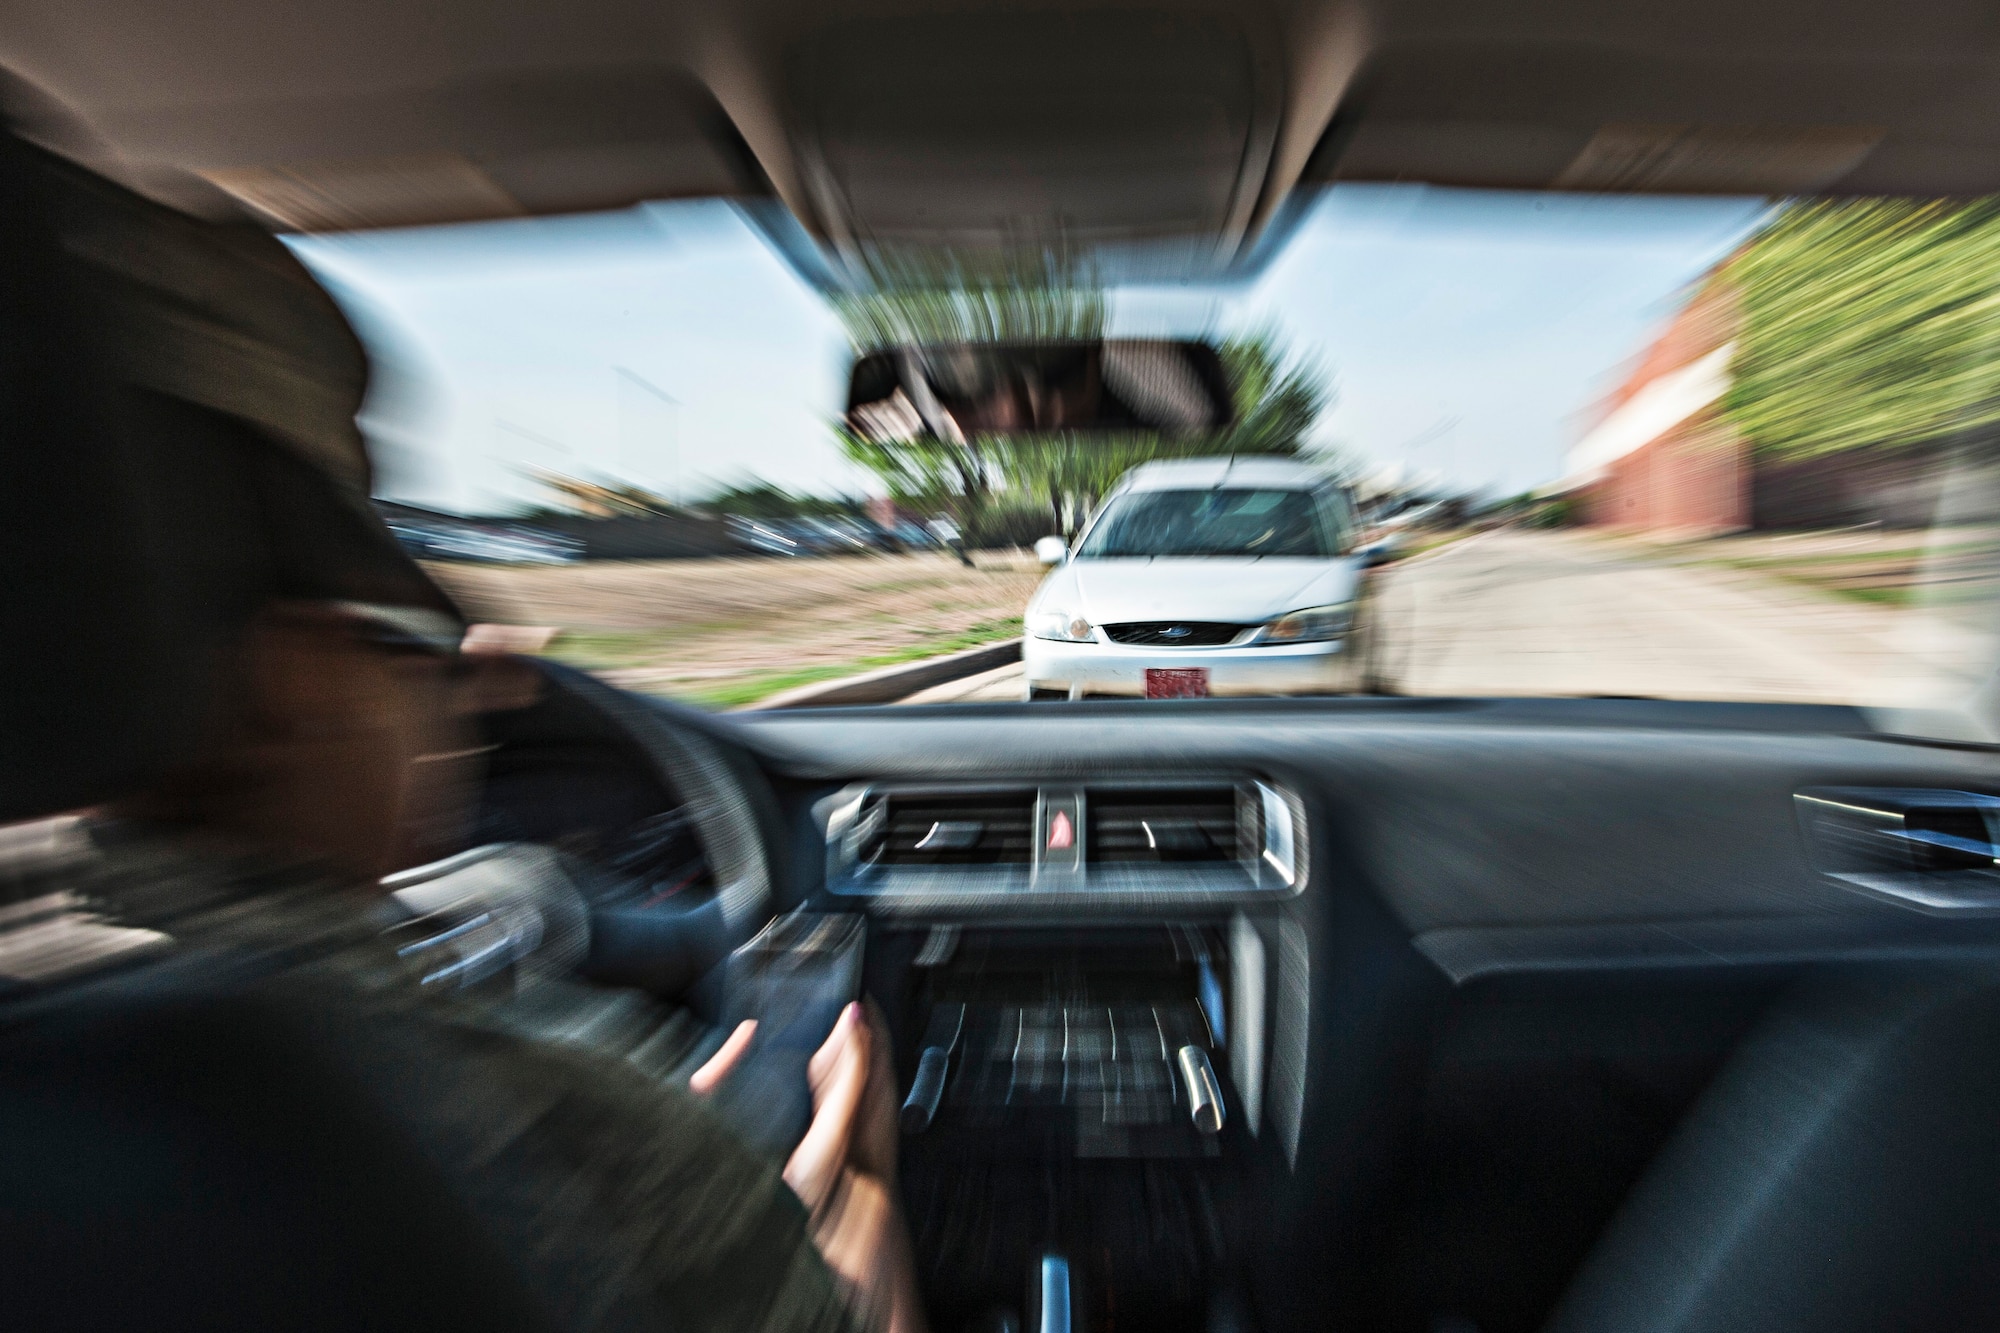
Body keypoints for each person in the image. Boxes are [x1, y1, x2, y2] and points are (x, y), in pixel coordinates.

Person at [0, 109, 926, 1333]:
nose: (458, 688)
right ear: (293, 671)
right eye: (406, 640)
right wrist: (842, 1174)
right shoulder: (513, 1127)